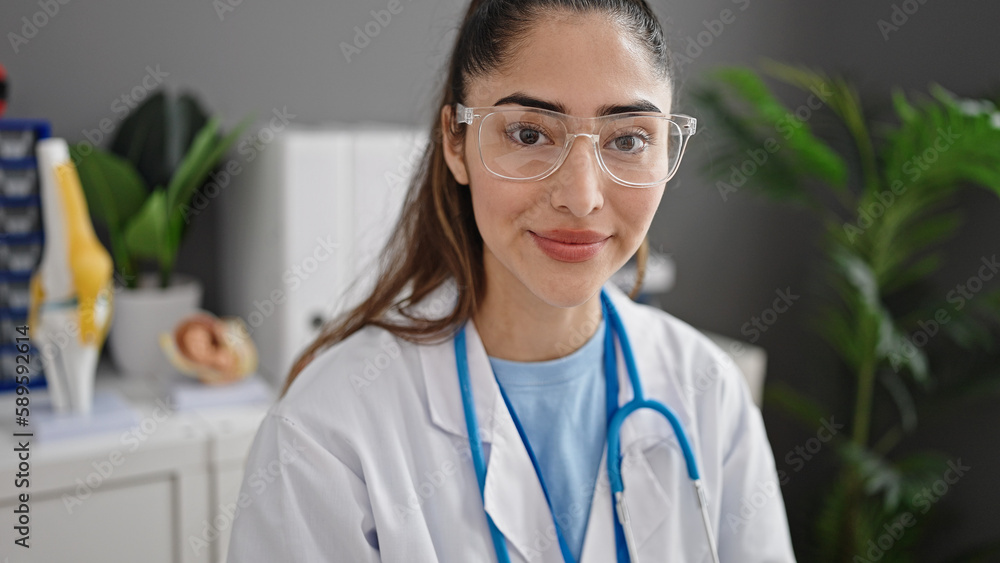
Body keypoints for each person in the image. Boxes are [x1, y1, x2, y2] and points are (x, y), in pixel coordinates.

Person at [226, 0, 796, 561]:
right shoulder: (327, 430)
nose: (581, 197)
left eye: (627, 139)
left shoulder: (709, 389)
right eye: (528, 134)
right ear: (456, 143)